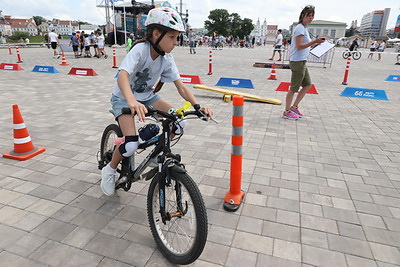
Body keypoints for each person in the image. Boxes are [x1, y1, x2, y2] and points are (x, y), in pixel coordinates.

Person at [100, 7, 213, 196]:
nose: (175, 43)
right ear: (156, 34)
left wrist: (198, 106)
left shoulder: (167, 59)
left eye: (177, 38)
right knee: (130, 145)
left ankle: (156, 155)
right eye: (172, 37)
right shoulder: (140, 50)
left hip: (148, 97)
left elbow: (181, 87)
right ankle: (109, 170)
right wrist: (132, 101)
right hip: (123, 97)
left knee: (180, 122)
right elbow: (122, 75)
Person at [282, 5, 324, 120]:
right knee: (293, 88)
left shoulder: (304, 28)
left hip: (302, 61)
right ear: (302, 16)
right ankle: (286, 111)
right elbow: (299, 46)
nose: (310, 18)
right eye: (308, 15)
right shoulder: (300, 28)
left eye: (312, 16)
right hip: (297, 61)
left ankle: (294, 107)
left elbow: (305, 46)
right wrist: (314, 42)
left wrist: (316, 43)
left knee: (307, 85)